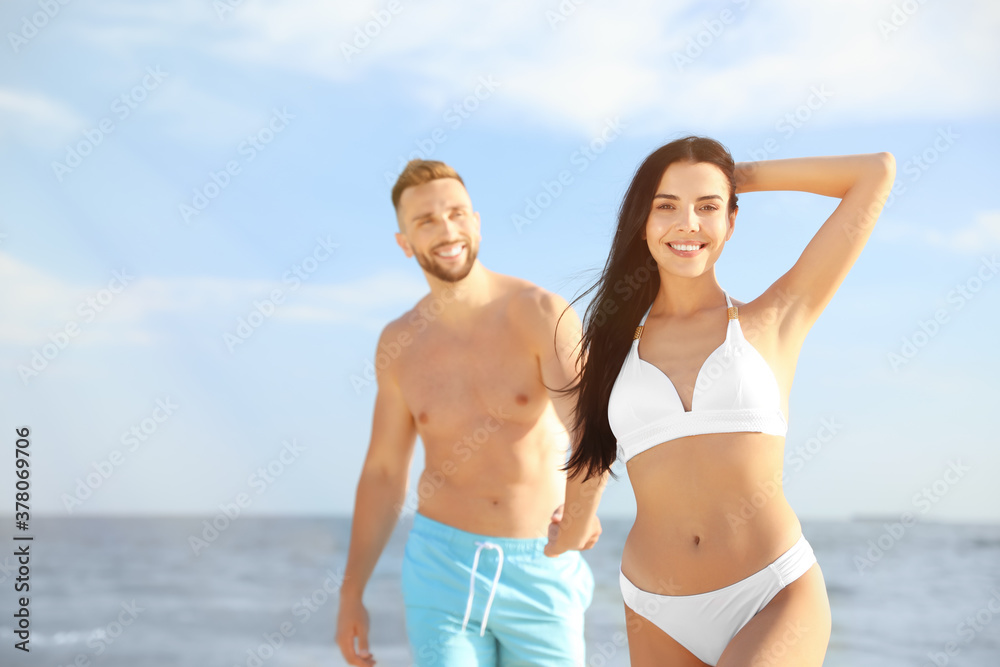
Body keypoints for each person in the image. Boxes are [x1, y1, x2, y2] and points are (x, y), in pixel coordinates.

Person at [545, 136, 895, 665]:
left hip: (772, 591)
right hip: (655, 606)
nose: (687, 223)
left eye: (707, 207)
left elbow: (874, 172)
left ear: (733, 220)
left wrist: (737, 175)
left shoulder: (775, 317)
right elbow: (588, 456)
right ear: (642, 221)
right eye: (666, 206)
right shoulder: (612, 348)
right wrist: (567, 534)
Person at [336, 159, 605, 667]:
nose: (447, 230)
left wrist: (581, 512)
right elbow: (384, 472)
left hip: (540, 569)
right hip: (441, 569)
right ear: (405, 243)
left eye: (457, 213)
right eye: (426, 222)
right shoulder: (398, 342)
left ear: (476, 221)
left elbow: (593, 430)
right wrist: (352, 593)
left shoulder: (540, 313)